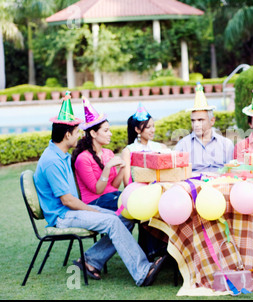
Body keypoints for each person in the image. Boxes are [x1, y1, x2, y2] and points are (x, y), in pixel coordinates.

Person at [33, 92, 166, 286]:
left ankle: (90, 261)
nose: (80, 135)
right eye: (78, 131)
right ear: (67, 134)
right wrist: (96, 211)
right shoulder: (52, 160)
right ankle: (142, 271)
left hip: (71, 209)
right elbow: (67, 201)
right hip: (62, 215)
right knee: (112, 221)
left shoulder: (60, 154)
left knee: (123, 218)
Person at [72, 97, 125, 211]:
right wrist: (108, 166)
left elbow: (114, 186)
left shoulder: (108, 153)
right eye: (106, 131)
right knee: (130, 204)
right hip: (95, 202)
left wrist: (122, 169)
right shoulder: (83, 158)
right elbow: (98, 190)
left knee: (134, 198)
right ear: (93, 133)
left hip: (111, 196)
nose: (110, 134)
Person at [175, 83, 234, 172]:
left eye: (200, 120)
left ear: (212, 121)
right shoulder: (183, 145)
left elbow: (231, 171)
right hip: (193, 184)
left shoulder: (226, 144)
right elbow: (177, 172)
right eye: (193, 120)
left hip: (219, 183)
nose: (196, 124)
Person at [121, 103, 167, 186]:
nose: (153, 130)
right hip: (138, 191)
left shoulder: (161, 147)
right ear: (137, 130)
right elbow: (127, 183)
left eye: (153, 126)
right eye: (148, 127)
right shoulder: (128, 151)